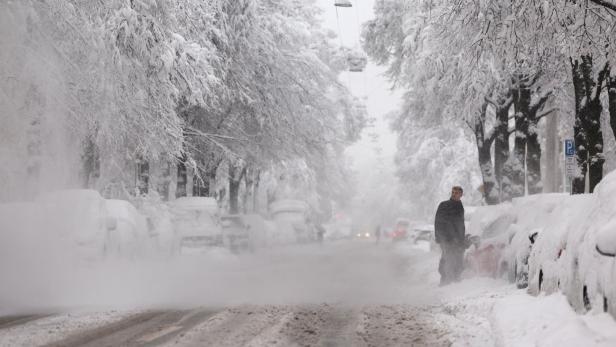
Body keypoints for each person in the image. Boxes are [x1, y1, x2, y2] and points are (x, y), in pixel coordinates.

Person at [434, 186, 465, 286]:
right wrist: (440, 237)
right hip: (446, 239)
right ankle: (445, 281)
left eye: (456, 192)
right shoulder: (444, 205)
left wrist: (461, 238)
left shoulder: (460, 206)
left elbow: (460, 224)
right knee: (447, 259)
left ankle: (455, 280)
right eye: (453, 192)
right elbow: (438, 222)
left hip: (458, 240)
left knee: (458, 259)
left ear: (461, 195)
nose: (454, 194)